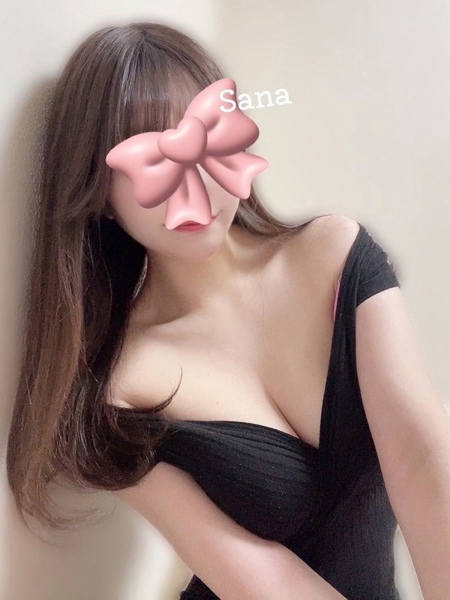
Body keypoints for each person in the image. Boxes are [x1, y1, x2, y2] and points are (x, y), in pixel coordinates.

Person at [6, 21, 450, 600]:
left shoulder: (335, 257)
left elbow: (423, 460)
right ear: (100, 194)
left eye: (207, 139)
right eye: (155, 160)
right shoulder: (119, 390)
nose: (191, 182)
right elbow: (261, 585)